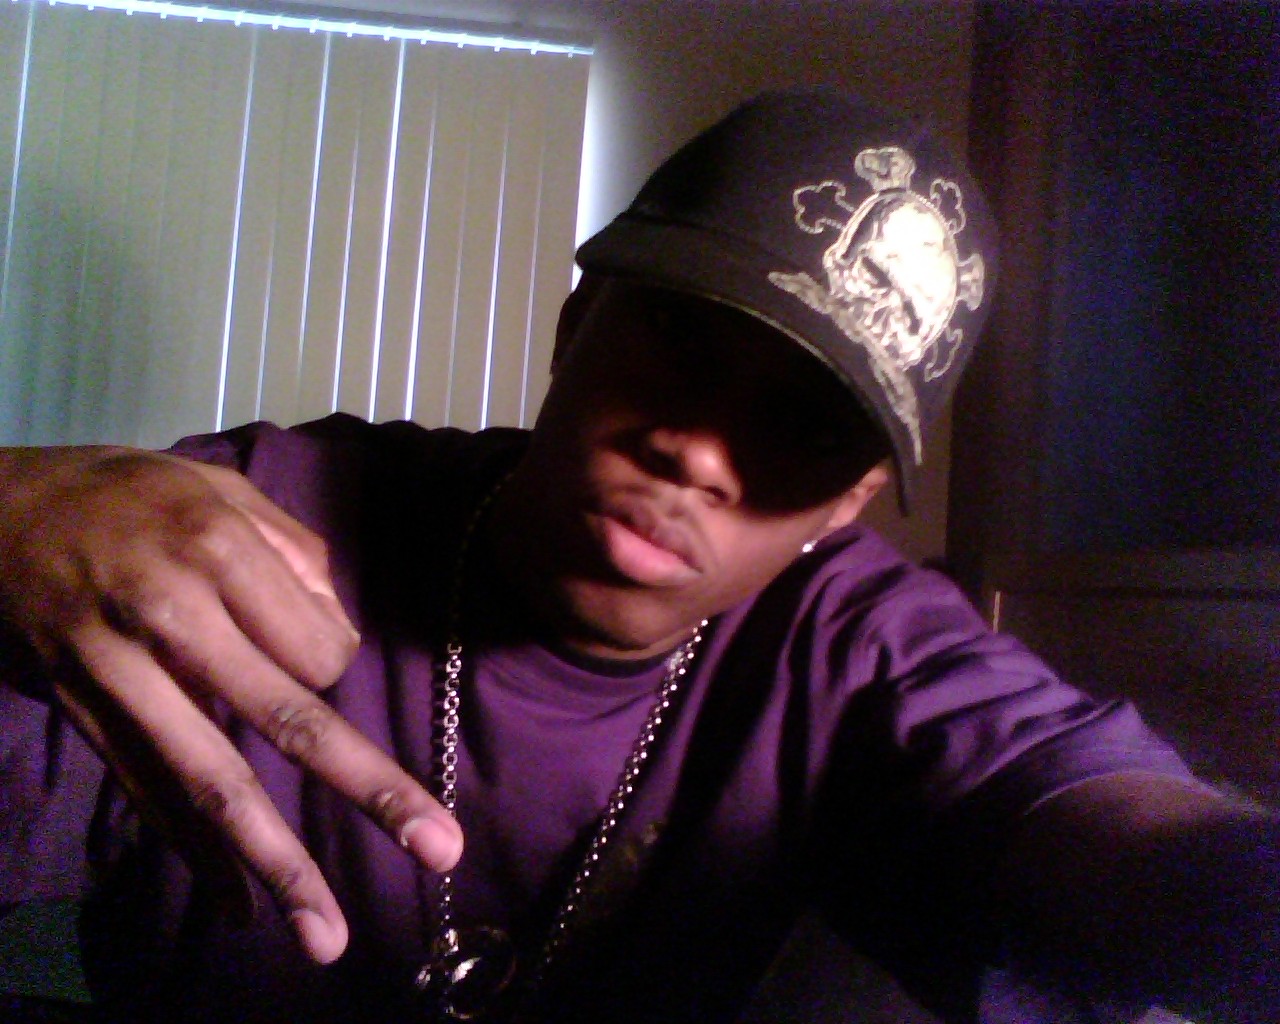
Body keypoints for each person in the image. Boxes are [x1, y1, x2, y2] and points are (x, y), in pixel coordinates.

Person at [0, 90, 1276, 1024]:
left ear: (847, 501)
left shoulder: (856, 645)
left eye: (798, 426)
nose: (699, 450)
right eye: (680, 343)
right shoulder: (252, 518)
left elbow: (1099, 819)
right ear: (575, 325)